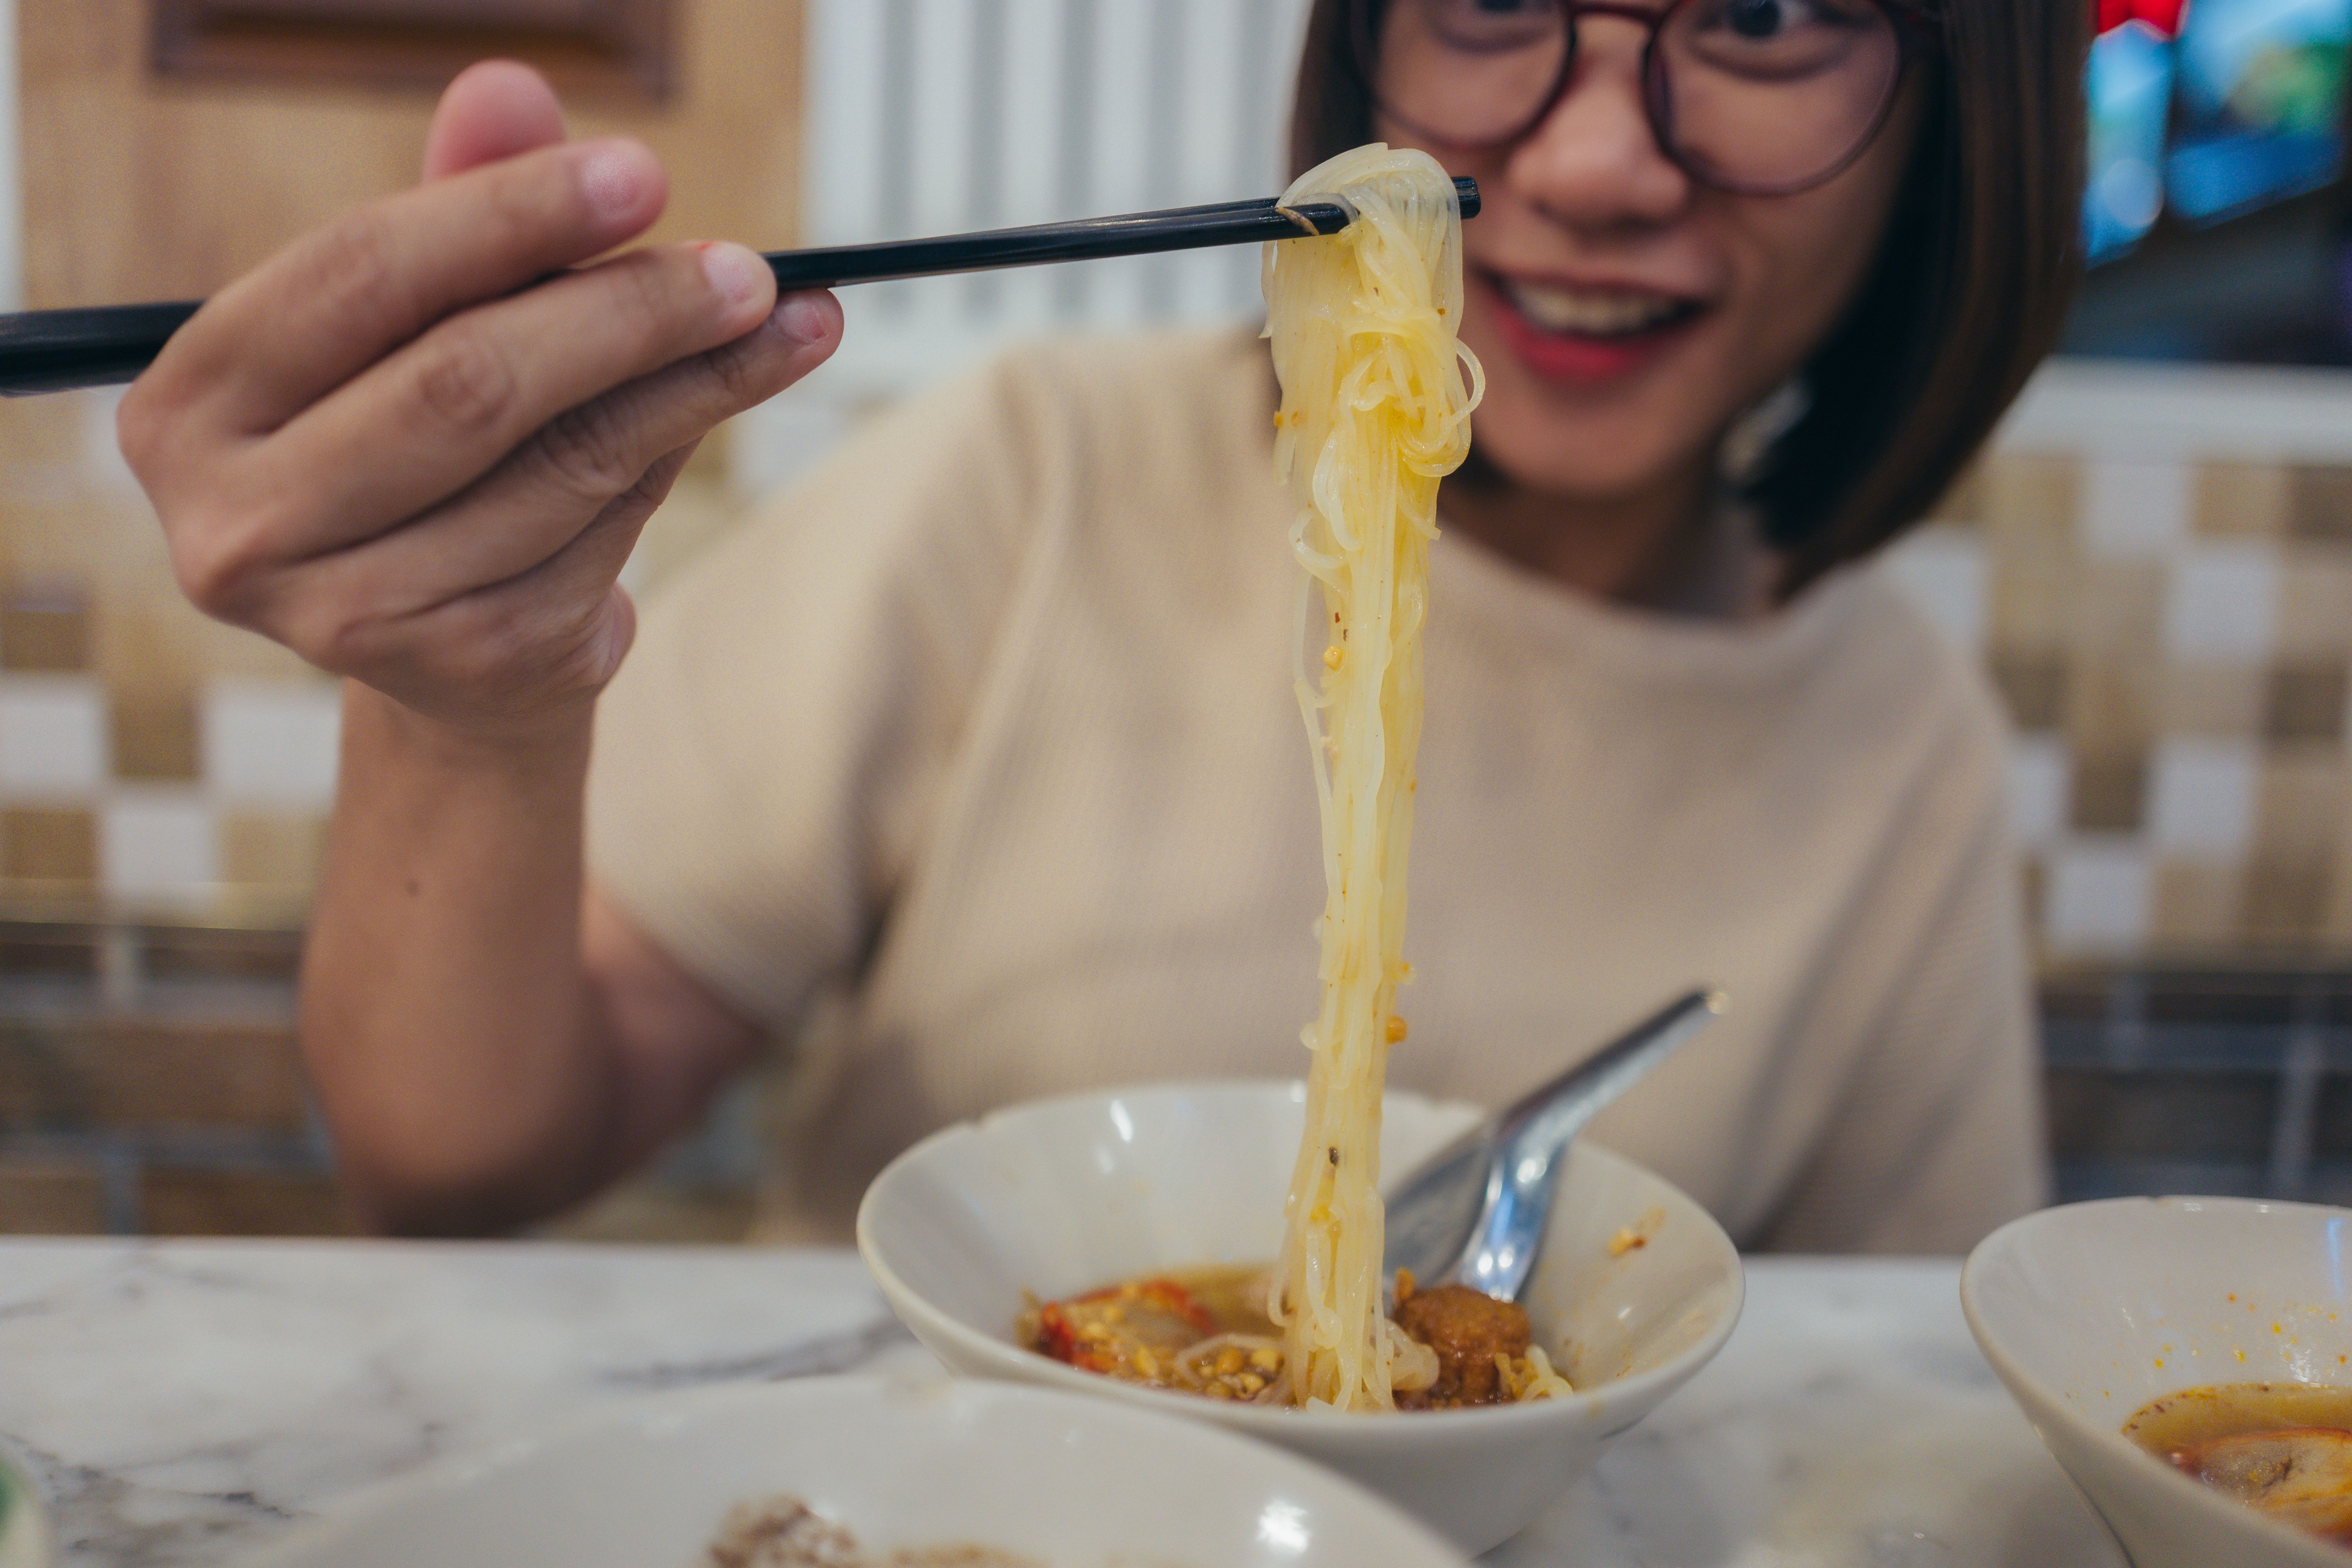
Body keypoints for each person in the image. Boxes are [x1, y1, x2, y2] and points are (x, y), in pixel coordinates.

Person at [121, 0, 2087, 1247]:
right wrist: (474, 702)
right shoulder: (1034, 475)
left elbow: (1879, 1439)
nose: (1587, 162)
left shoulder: (1894, 737)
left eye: (1756, 17)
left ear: (1961, 109)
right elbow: (454, 1161)